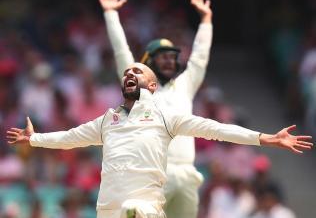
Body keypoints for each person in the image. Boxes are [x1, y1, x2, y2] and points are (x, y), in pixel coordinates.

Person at [6, 63, 313, 218]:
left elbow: (216, 128)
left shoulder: (167, 116)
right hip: (108, 210)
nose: (130, 73)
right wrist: (34, 140)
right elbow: (70, 138)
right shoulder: (108, 120)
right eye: (127, 72)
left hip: (145, 209)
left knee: (137, 209)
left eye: (137, 72)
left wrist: (266, 138)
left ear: (152, 85)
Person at [98, 0, 213, 218]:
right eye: (163, 56)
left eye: (172, 57)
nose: (170, 60)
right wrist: (111, 13)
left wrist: (206, 21)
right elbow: (122, 50)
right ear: (148, 61)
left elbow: (199, 58)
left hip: (187, 173)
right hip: (153, 172)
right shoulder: (139, 86)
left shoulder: (184, 86)